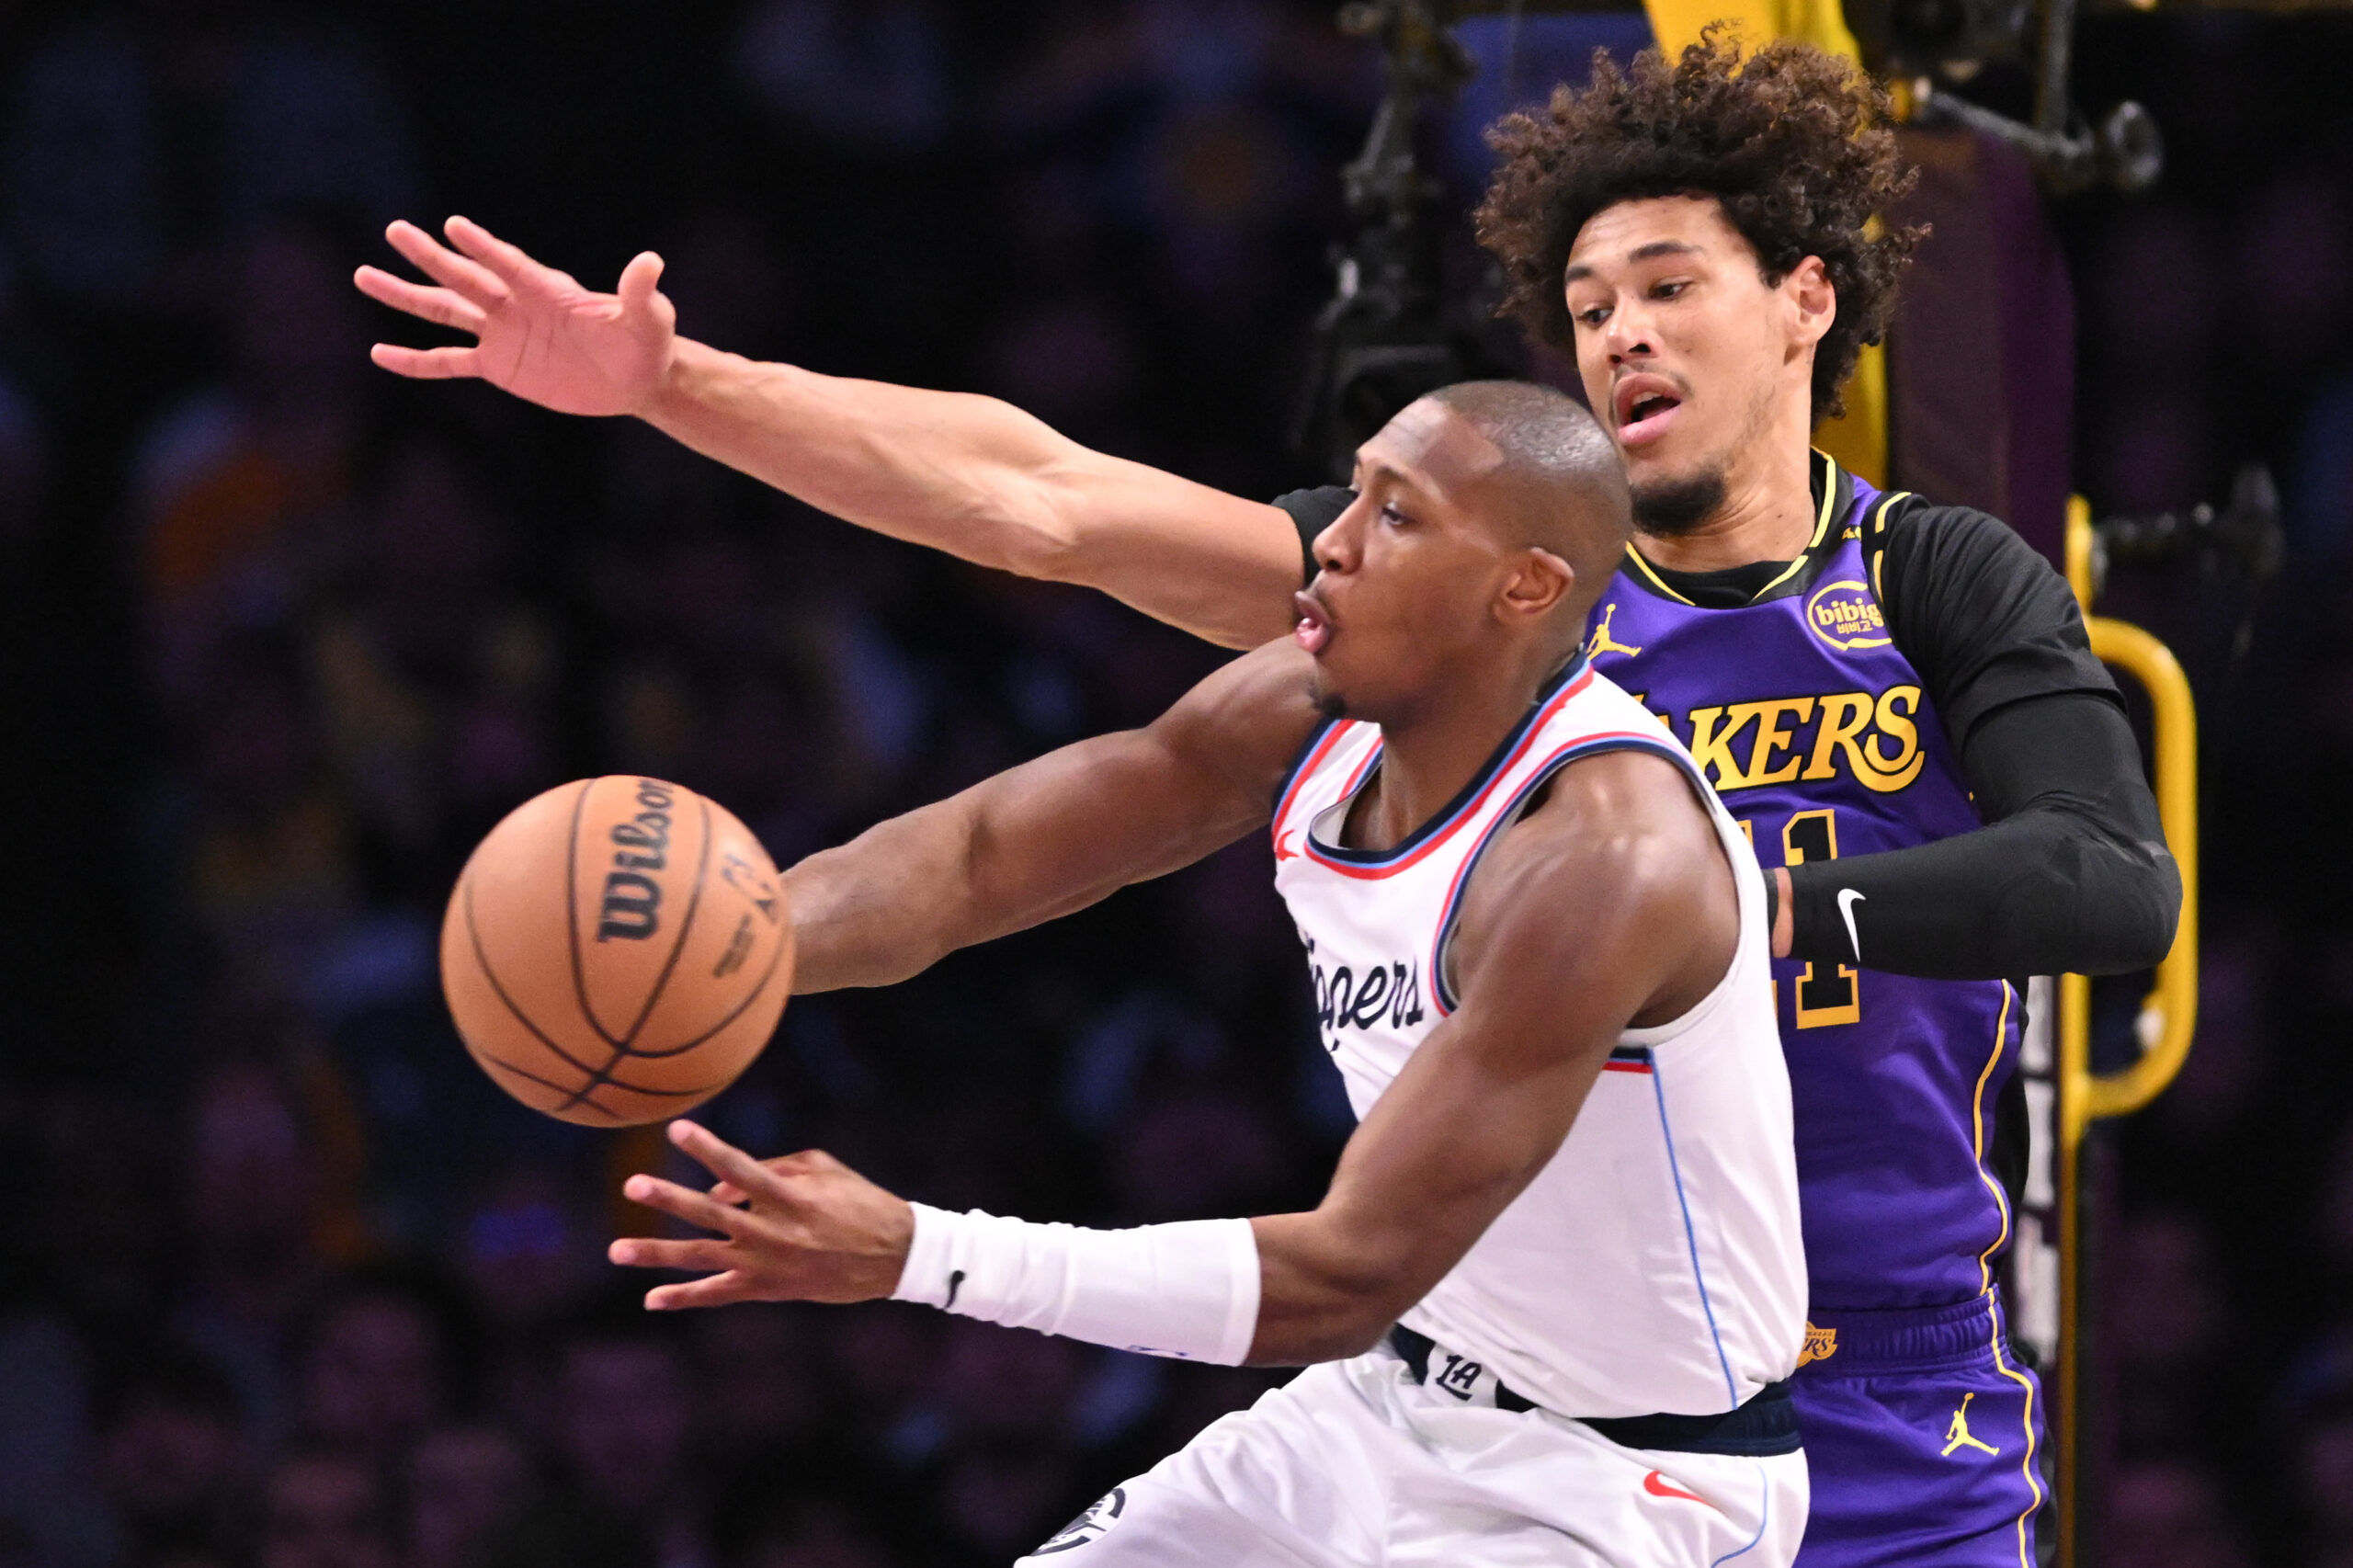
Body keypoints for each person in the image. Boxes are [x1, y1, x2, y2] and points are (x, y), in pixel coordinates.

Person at [354, 36, 2181, 1565]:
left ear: (1803, 301)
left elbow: (2109, 885)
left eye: (1666, 288)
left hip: (1847, 1379)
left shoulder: (1919, 582)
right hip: (1466, 1371)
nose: (1616, 334)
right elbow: (1038, 505)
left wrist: (1791, 901)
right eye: (1583, 302)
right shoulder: (1449, 602)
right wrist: (673, 383)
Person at [605, 382, 1812, 1566]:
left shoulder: (1605, 860)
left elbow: (1347, 1271)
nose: (1328, 543)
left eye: (1395, 516)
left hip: (1629, 1486)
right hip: (1383, 1407)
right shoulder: (1313, 708)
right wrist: (742, 945)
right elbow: (978, 861)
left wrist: (919, 1250)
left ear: (1526, 586)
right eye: (1355, 500)